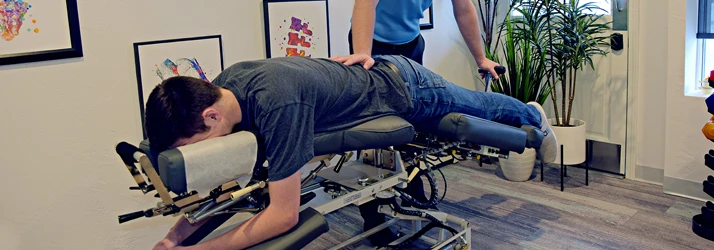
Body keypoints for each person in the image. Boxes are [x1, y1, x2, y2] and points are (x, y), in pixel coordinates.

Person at [145, 54, 558, 250]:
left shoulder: (277, 103)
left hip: (406, 87)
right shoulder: (226, 86)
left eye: (193, 148)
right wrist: (176, 235)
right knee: (473, 103)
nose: (201, 155)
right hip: (371, 81)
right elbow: (230, 182)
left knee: (475, 105)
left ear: (212, 117)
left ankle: (533, 117)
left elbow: (283, 215)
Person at [332, 0, 501, 79]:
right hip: (372, 45)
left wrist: (481, 59)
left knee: (411, 106)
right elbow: (366, 4)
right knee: (373, 109)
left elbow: (464, 9)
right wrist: (363, 53)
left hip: (411, 45)